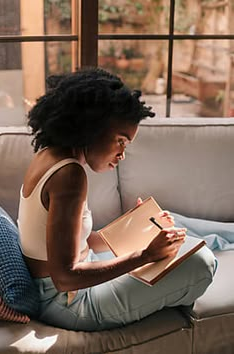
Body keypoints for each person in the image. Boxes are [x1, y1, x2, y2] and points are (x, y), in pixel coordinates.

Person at [18, 68, 216, 331]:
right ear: (92, 127)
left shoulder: (49, 157)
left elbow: (79, 242)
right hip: (68, 304)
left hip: (60, 292)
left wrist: (131, 224)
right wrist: (144, 255)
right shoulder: (69, 175)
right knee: (201, 263)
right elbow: (65, 277)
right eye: (120, 141)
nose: (122, 153)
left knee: (175, 232)